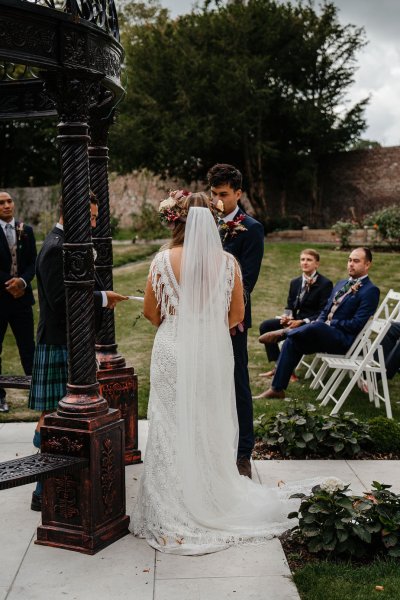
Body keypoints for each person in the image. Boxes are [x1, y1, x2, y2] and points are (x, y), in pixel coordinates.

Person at [131, 191, 308, 555]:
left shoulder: (163, 260)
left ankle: (172, 499)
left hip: (172, 346)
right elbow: (236, 316)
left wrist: (179, 322)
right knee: (208, 420)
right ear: (214, 222)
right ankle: (211, 493)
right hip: (213, 350)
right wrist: (207, 325)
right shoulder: (228, 263)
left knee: (169, 421)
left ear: (176, 219)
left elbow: (151, 312)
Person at [28, 194, 127, 511]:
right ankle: (42, 492)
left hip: (65, 342)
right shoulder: (57, 248)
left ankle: (47, 488)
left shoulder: (65, 244)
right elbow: (61, 302)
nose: (95, 224)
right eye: (92, 218)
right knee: (53, 421)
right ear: (73, 214)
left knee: (53, 419)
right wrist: (101, 298)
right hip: (58, 343)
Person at [262, 247, 380, 400]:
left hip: (344, 341)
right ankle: (277, 389)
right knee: (293, 341)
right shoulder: (341, 283)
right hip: (323, 335)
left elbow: (357, 324)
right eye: (349, 260)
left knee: (317, 326)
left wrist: (330, 323)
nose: (351, 264)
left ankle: (283, 333)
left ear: (367, 265)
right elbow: (325, 310)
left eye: (356, 261)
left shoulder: (371, 291)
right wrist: (321, 321)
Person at [207, 164, 264, 479]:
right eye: (214, 194)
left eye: (224, 194)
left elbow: (248, 279)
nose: (218, 201)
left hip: (233, 318)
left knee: (238, 383)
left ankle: (244, 452)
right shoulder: (204, 223)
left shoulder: (251, 228)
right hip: (202, 318)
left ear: (238, 193)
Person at [257, 249, 332, 384]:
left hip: (310, 323)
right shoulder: (295, 282)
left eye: (309, 260)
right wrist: (287, 317)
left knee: (291, 336)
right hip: (293, 321)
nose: (305, 262)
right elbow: (290, 305)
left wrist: (302, 321)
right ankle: (277, 365)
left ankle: (287, 370)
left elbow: (323, 312)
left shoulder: (325, 284)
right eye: (302, 259)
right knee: (266, 326)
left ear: (317, 264)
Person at [0, 191, 36, 413]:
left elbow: (33, 262)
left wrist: (22, 281)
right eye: (1, 203)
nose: (6, 205)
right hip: (0, 299)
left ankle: (36, 392)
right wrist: (10, 284)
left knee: (28, 348)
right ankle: (0, 396)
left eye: (9, 201)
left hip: (22, 300)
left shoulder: (26, 230)